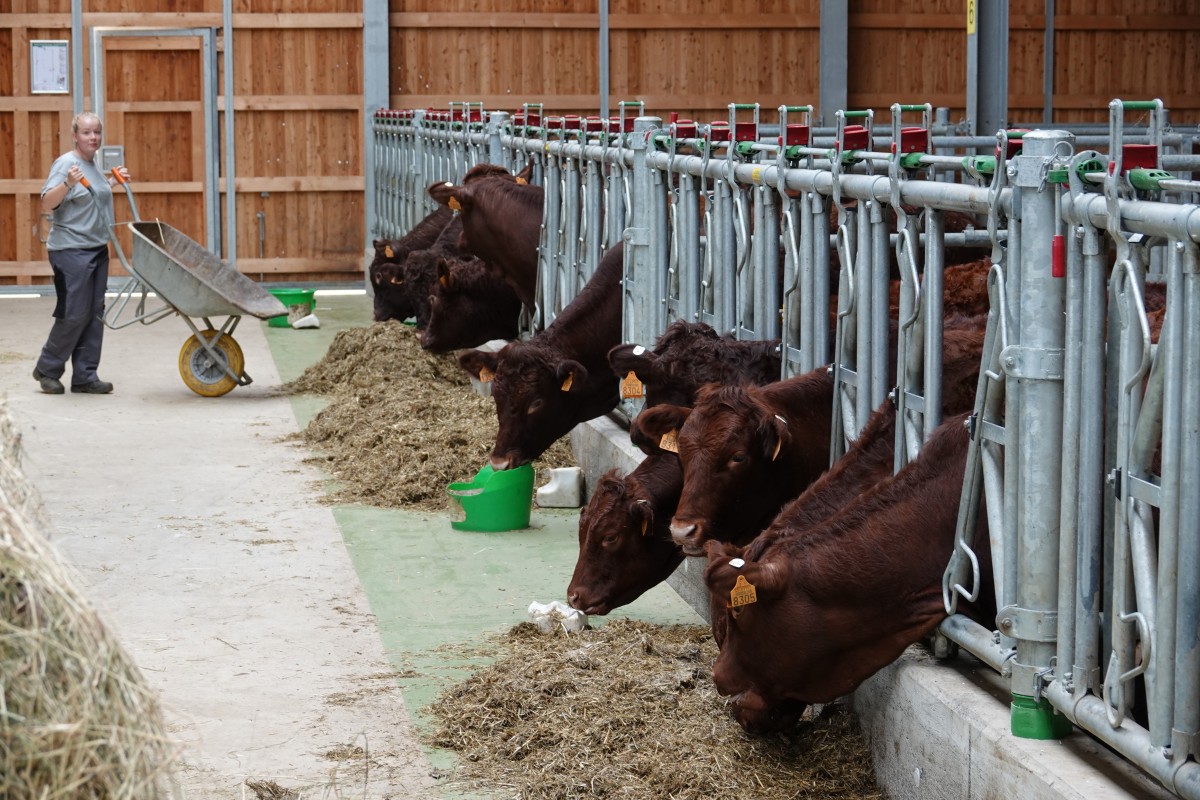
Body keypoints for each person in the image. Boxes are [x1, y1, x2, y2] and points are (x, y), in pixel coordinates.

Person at [33, 111, 130, 395]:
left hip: (97, 247)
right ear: (75, 135)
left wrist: (112, 182)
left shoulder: (91, 164)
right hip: (70, 250)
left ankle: (85, 375)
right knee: (74, 313)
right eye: (87, 132)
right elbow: (48, 201)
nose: (93, 137)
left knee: (94, 314)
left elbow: (90, 195)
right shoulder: (67, 164)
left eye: (97, 132)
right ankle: (47, 368)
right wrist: (67, 184)